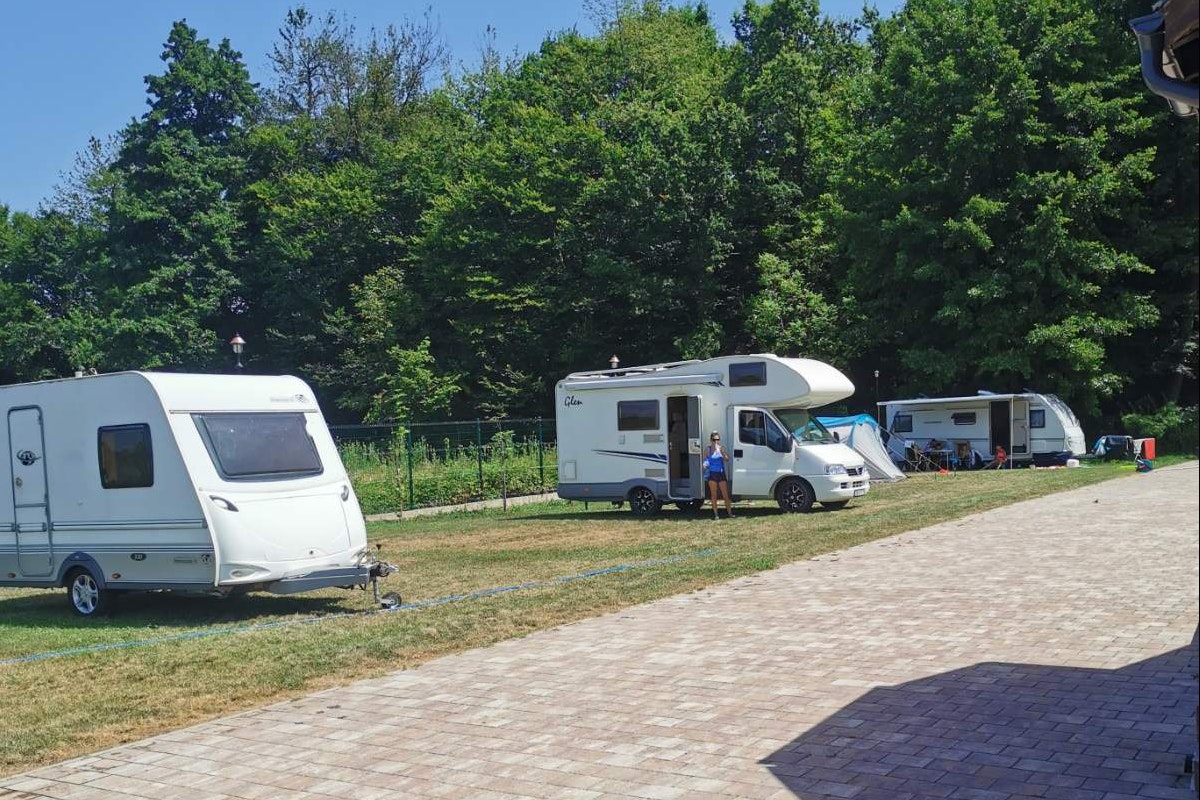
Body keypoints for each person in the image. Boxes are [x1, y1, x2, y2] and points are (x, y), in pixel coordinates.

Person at [704, 431, 734, 519]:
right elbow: (706, 460)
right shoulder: (708, 449)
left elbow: (727, 459)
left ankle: (730, 513)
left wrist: (723, 453)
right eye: (714, 440)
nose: (716, 441)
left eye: (717, 439)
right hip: (712, 474)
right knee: (714, 495)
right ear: (711, 440)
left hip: (721, 473)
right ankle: (716, 514)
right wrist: (705, 464)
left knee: (725, 495)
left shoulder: (721, 448)